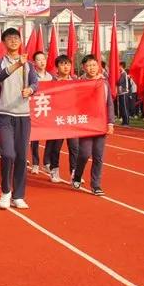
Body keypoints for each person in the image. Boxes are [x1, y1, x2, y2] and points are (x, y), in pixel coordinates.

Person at [0, 27, 38, 209]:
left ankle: (18, 195)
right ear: (4, 43)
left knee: (20, 157)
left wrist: (31, 90)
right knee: (8, 154)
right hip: (4, 114)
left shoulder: (29, 65)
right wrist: (18, 64)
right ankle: (5, 191)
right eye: (9, 38)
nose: (13, 40)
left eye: (16, 38)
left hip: (23, 115)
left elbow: (35, 83)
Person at [72, 54, 114, 196]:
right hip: (85, 123)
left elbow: (109, 104)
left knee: (98, 155)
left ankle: (96, 185)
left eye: (94, 65)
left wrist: (110, 123)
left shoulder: (104, 83)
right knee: (84, 153)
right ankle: (77, 175)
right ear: (84, 68)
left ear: (98, 66)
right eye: (88, 65)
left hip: (101, 123)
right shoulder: (79, 83)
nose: (92, 68)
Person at [43, 55, 78, 183]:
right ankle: (54, 170)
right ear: (57, 67)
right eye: (63, 64)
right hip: (57, 119)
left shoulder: (76, 80)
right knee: (56, 147)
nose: (66, 67)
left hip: (71, 118)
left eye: (68, 64)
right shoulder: (52, 82)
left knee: (74, 147)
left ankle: (74, 172)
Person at [30, 51, 55, 174]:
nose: (42, 62)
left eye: (43, 59)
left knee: (50, 136)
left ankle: (46, 161)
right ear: (34, 62)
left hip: (48, 110)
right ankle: (35, 163)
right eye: (39, 60)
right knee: (35, 138)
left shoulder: (51, 77)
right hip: (35, 110)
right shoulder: (31, 76)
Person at [116, 61, 130, 126]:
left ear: (121, 66)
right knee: (122, 108)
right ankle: (124, 121)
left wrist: (115, 79)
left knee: (124, 107)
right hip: (121, 93)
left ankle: (126, 122)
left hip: (124, 93)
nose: (118, 67)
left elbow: (119, 82)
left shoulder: (124, 73)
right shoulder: (121, 73)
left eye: (119, 66)